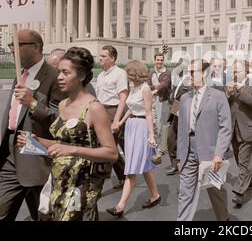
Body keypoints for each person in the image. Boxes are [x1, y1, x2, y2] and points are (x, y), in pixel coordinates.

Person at [18, 47, 118, 221]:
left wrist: (73, 150)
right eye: (59, 72)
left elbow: (111, 153)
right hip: (59, 180)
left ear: (81, 76)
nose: (59, 77)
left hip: (82, 186)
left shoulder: (94, 108)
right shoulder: (64, 104)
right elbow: (62, 143)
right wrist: (36, 140)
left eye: (65, 72)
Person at [0, 29, 64, 221]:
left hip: (38, 157)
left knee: (44, 215)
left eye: (17, 45)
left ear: (35, 47)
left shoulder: (55, 77)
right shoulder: (21, 74)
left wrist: (33, 103)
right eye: (11, 45)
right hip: (10, 154)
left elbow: (61, 120)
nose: (12, 49)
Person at [177, 59, 232, 221]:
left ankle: (223, 219)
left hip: (210, 152)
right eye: (189, 72)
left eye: (194, 72)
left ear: (205, 73)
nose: (190, 75)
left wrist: (219, 154)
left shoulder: (218, 96)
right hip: (188, 151)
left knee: (216, 190)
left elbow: (225, 128)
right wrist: (180, 156)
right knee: (185, 192)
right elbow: (181, 130)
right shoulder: (185, 98)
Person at [107, 60, 161, 217]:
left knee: (131, 168)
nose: (128, 76)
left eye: (130, 73)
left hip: (142, 127)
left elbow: (149, 113)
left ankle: (120, 206)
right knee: (144, 164)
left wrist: (151, 135)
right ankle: (155, 195)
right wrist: (119, 122)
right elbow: (131, 108)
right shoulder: (134, 87)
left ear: (137, 73)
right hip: (131, 126)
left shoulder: (145, 89)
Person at [226, 60, 252, 208]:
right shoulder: (229, 85)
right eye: (233, 71)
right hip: (234, 130)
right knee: (241, 161)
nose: (234, 74)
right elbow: (223, 106)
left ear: (245, 71)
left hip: (248, 129)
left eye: (237, 71)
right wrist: (227, 95)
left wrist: (242, 92)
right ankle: (249, 181)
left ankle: (239, 193)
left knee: (244, 161)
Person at [96, 45, 128, 189]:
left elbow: (123, 97)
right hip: (102, 112)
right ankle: (124, 176)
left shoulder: (119, 73)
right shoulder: (101, 75)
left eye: (103, 56)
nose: (100, 58)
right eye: (100, 56)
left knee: (109, 148)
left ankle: (98, 183)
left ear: (113, 59)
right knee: (110, 148)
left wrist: (116, 120)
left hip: (115, 111)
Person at [166, 60, 191, 176]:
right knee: (171, 139)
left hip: (184, 113)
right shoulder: (178, 81)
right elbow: (173, 95)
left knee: (182, 140)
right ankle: (175, 163)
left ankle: (182, 164)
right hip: (175, 111)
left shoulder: (188, 81)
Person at [149, 53, 171, 156]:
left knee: (160, 124)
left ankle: (161, 148)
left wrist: (155, 89)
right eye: (158, 60)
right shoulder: (151, 72)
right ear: (154, 60)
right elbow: (148, 84)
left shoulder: (166, 72)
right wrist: (154, 88)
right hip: (152, 100)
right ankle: (155, 144)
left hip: (162, 100)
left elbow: (164, 84)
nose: (159, 62)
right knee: (152, 122)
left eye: (161, 60)